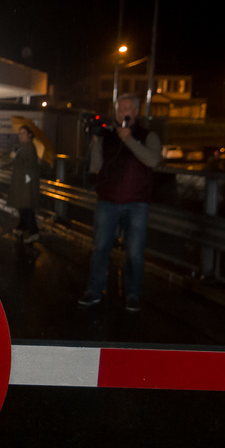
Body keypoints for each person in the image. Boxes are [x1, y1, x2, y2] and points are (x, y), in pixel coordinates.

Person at [79, 94, 161, 312]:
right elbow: (95, 166)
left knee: (134, 252)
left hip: (137, 204)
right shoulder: (108, 134)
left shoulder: (148, 135)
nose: (121, 110)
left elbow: (153, 160)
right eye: (118, 107)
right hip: (107, 201)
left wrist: (129, 140)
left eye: (126, 107)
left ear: (135, 112)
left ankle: (133, 294)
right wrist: (95, 142)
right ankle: (94, 291)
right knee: (100, 249)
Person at [8, 125, 41, 244]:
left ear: (29, 135)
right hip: (21, 181)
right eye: (19, 133)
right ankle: (21, 227)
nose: (20, 136)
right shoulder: (22, 147)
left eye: (23, 133)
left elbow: (29, 165)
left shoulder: (29, 148)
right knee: (22, 206)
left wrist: (16, 157)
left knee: (26, 207)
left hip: (25, 183)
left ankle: (34, 232)